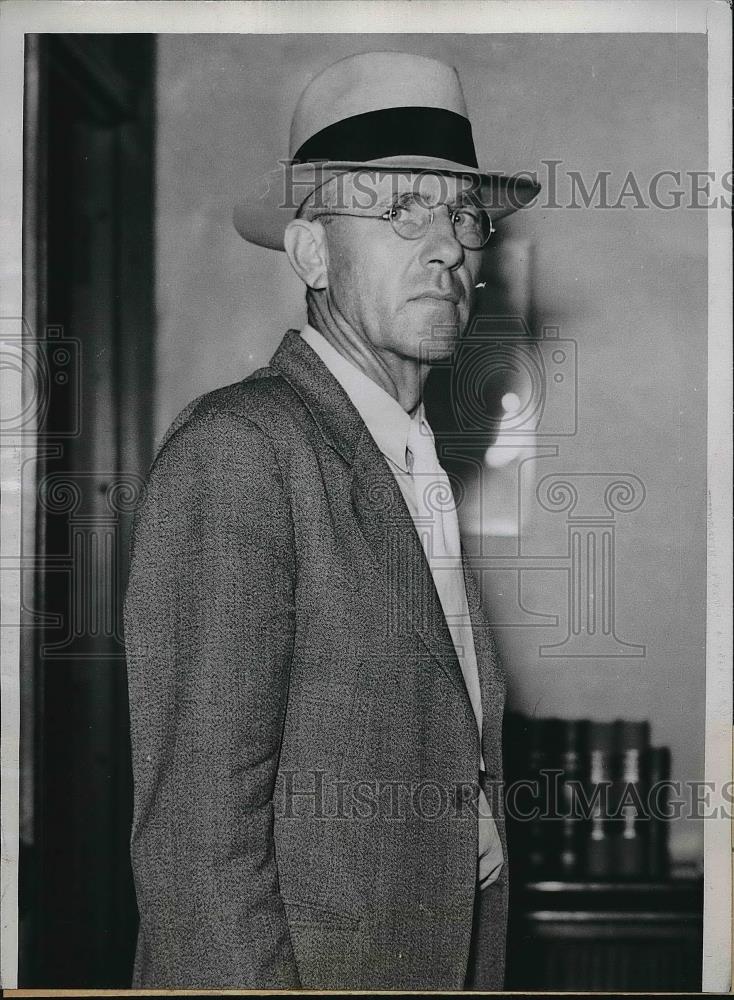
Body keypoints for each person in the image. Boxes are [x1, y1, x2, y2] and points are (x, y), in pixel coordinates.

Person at [124, 50, 539, 990]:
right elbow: (197, 851)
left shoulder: (404, 454)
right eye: (398, 210)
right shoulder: (243, 448)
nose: (448, 247)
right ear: (312, 252)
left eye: (461, 215)